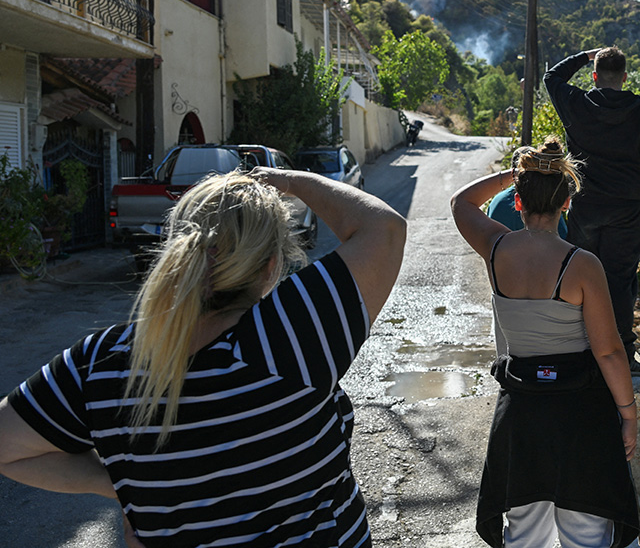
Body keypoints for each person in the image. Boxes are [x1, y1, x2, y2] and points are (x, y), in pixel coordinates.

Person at [0, 167, 407, 547]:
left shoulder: (98, 365)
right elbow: (383, 228)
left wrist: (123, 484)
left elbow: (7, 448)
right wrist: (288, 181)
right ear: (270, 266)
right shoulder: (289, 337)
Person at [451, 139, 640, 548]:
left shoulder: (496, 248)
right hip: (581, 414)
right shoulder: (583, 264)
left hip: (522, 413)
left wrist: (517, 174)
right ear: (566, 204)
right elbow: (609, 352)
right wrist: (628, 413)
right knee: (587, 532)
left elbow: (460, 203)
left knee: (525, 535)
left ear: (516, 202)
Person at [544, 47, 640, 374]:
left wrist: (585, 55)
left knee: (580, 277)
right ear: (625, 78)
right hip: (627, 213)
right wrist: (634, 181)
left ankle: (577, 346)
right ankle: (622, 355)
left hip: (585, 209)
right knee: (619, 280)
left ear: (595, 76)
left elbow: (551, 76)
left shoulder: (577, 105)